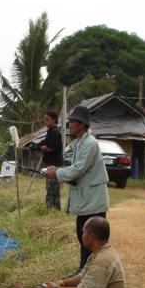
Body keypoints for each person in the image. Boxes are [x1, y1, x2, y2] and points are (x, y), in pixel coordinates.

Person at [44, 106, 109, 270]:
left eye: (72, 122)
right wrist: (57, 169)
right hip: (86, 201)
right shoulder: (79, 142)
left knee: (93, 240)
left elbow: (79, 169)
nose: (70, 125)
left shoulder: (90, 144)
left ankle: (91, 273)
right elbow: (68, 155)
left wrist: (57, 173)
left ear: (82, 124)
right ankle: (84, 271)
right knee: (84, 238)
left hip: (93, 201)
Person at [41, 216, 124, 288]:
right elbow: (82, 276)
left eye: (83, 232)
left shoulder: (102, 260)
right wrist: (61, 283)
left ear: (91, 237)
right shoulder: (100, 252)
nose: (82, 235)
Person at [37, 109, 64, 210]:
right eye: (44, 119)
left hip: (55, 165)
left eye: (47, 119)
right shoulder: (50, 131)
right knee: (49, 189)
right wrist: (37, 146)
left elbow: (49, 148)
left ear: (54, 120)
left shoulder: (55, 132)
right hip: (50, 164)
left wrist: (42, 148)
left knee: (54, 190)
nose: (45, 121)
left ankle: (55, 210)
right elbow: (44, 143)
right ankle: (49, 209)